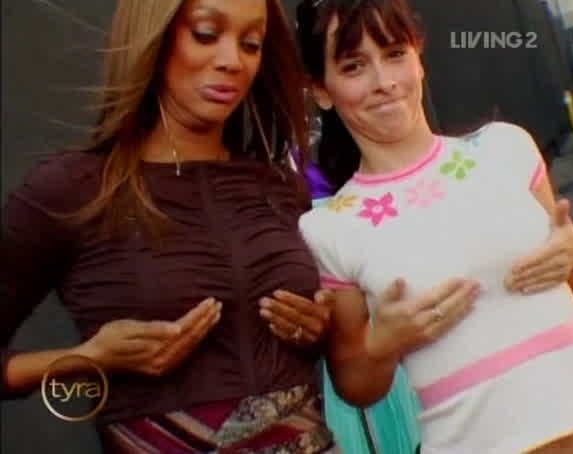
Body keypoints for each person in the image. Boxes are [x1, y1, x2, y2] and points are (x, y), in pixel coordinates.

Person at [1, 0, 338, 452]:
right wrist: (86, 359)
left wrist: (319, 331)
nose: (231, 60)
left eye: (251, 44)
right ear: (155, 37)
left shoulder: (279, 187)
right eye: (205, 34)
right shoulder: (73, 190)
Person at [295, 0, 573, 453]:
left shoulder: (505, 148)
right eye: (354, 66)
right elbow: (356, 386)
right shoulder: (330, 228)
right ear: (321, 89)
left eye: (395, 54)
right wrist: (383, 343)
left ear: (419, 56)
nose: (384, 81)